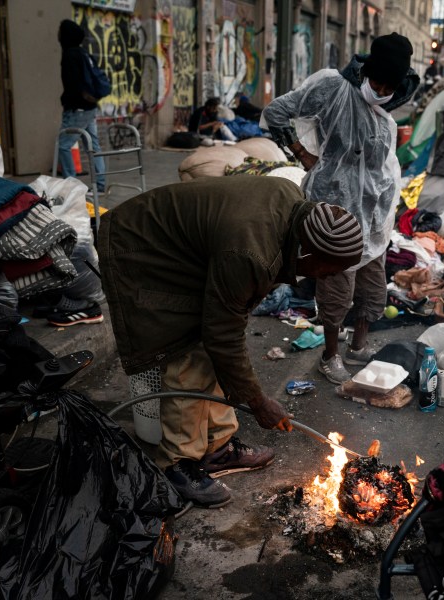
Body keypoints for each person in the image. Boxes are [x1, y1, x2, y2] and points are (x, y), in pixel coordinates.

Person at [97, 176, 364, 508]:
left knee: (218, 349)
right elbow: (220, 334)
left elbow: (228, 330)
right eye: (326, 271)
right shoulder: (250, 253)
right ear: (308, 251)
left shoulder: (292, 204)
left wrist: (247, 390)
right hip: (142, 246)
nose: (325, 279)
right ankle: (179, 463)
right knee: (188, 348)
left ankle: (218, 447)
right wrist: (257, 401)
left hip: (192, 249)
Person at [262, 32, 419, 385]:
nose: (379, 89)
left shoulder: (387, 113)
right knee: (337, 284)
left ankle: (358, 346)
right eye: (375, 81)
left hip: (375, 212)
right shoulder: (333, 87)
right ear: (365, 71)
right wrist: (302, 154)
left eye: (387, 86)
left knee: (372, 284)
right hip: (336, 207)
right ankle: (330, 355)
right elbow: (276, 112)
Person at [57, 19, 106, 194]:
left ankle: (70, 185)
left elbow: (73, 84)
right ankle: (100, 185)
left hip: (77, 109)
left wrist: (68, 102)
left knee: (63, 145)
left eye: (60, 32)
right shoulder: (83, 53)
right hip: (90, 107)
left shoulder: (70, 55)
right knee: (93, 145)